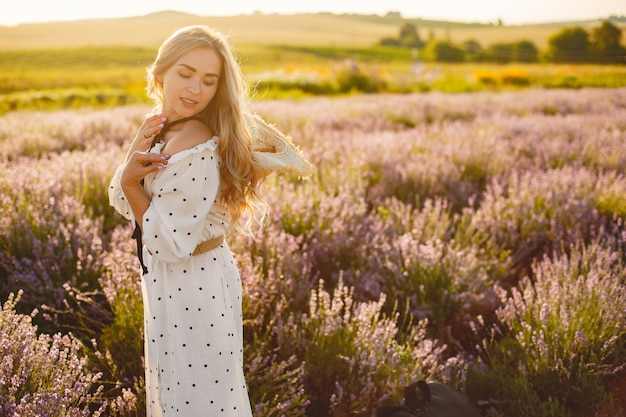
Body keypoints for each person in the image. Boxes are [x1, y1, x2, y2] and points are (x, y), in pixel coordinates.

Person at [108, 25, 313, 416]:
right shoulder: (162, 127)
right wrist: (134, 159)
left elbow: (169, 243)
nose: (194, 89)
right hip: (171, 280)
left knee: (199, 401)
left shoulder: (194, 142)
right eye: (185, 73)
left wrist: (132, 182)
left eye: (208, 80)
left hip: (193, 282)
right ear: (160, 73)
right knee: (178, 396)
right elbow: (120, 197)